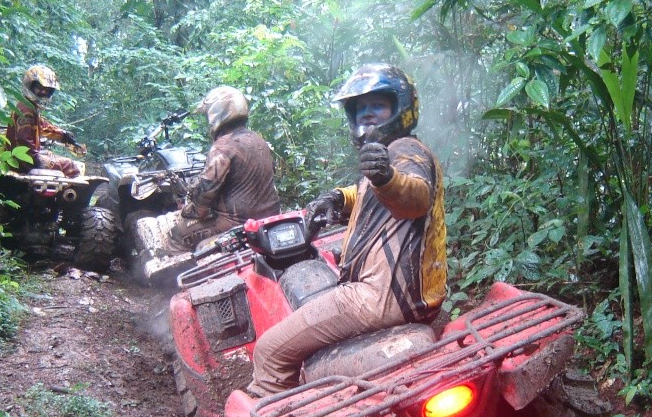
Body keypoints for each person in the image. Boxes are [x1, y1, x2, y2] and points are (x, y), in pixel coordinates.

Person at [248, 63, 447, 397]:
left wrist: (386, 178)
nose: (367, 114)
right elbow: (373, 193)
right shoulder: (395, 154)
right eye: (360, 108)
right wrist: (339, 199)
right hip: (406, 295)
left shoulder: (404, 152)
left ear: (401, 107)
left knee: (269, 351)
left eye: (378, 105)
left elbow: (415, 196)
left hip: (378, 296)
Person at [164, 85, 280, 253]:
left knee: (177, 235)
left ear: (216, 113)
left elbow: (202, 204)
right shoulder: (258, 140)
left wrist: (186, 211)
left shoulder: (223, 147)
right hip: (270, 216)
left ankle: (182, 275)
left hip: (237, 223)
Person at [5, 65, 83, 178]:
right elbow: (23, 138)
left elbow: (43, 126)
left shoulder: (28, 106)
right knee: (71, 166)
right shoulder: (26, 110)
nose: (43, 92)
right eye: (40, 88)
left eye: (47, 90)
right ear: (30, 85)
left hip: (21, 158)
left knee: (51, 155)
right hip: (23, 161)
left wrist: (63, 135)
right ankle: (66, 195)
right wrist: (37, 159)